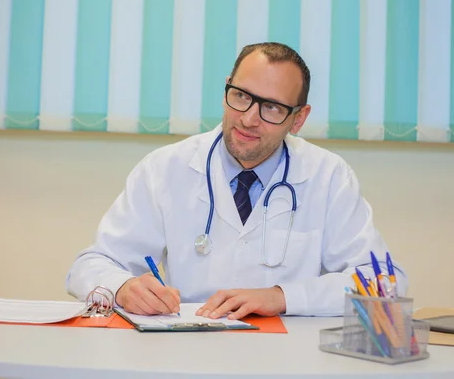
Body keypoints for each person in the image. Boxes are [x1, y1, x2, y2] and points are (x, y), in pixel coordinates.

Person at [65, 42, 408, 319]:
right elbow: (90, 265)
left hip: (287, 363)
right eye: (241, 96)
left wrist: (283, 297)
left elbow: (384, 283)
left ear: (299, 118)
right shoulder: (165, 169)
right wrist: (123, 286)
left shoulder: (328, 176)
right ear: (226, 88)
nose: (248, 119)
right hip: (184, 356)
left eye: (271, 107)